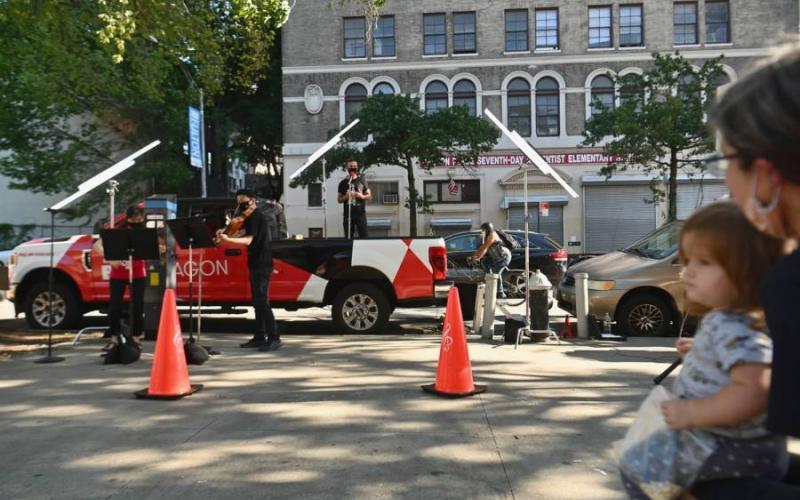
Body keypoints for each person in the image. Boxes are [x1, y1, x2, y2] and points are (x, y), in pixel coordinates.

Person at [619, 202, 790, 499]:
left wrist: (691, 412)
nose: (688, 272)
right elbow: (735, 357)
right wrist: (700, 353)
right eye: (688, 260)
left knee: (643, 470)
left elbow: (756, 390)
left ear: (747, 272)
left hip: (736, 452)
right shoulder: (724, 320)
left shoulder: (738, 328)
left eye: (704, 262)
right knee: (642, 468)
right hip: (723, 442)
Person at [218, 189, 281, 352]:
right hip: (255, 262)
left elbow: (248, 240)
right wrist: (224, 232)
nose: (241, 205)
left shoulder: (256, 216)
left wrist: (227, 239)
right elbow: (241, 232)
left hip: (262, 263)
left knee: (262, 302)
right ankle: (259, 337)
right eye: (238, 202)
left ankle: (274, 337)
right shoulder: (249, 217)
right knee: (257, 302)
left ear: (252, 200)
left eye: (244, 202)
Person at [94, 206, 147, 350]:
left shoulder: (144, 231)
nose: (137, 221)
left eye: (139, 219)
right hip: (118, 273)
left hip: (138, 272)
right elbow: (97, 245)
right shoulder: (117, 230)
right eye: (133, 219)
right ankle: (114, 338)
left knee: (137, 306)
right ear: (127, 218)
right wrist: (110, 258)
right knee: (115, 306)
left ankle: (136, 338)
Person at [466, 222, 512, 297]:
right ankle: (490, 284)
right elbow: (482, 247)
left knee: (495, 273)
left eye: (483, 230)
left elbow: (485, 248)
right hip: (496, 257)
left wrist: (478, 258)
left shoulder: (492, 235)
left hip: (504, 257)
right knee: (485, 263)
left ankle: (500, 292)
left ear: (487, 229)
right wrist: (473, 256)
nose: (482, 232)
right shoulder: (486, 236)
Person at [337, 158, 371, 238]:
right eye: (350, 166)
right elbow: (339, 199)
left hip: (361, 214)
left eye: (354, 166)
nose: (352, 168)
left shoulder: (362, 180)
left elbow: (369, 196)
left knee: (364, 237)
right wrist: (346, 196)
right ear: (347, 167)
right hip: (348, 215)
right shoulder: (343, 183)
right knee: (348, 238)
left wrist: (361, 196)